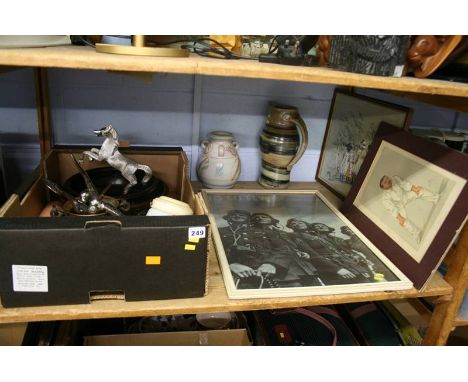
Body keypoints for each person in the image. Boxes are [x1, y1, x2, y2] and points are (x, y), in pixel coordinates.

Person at [286, 219, 357, 285]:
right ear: (291, 228)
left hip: (349, 266)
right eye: (293, 224)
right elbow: (312, 254)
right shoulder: (295, 236)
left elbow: (337, 250)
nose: (297, 224)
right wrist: (336, 269)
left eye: (300, 222)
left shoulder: (317, 234)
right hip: (330, 270)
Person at [379, 175, 440, 243]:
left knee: (418, 191)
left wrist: (414, 189)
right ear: (383, 187)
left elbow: (404, 185)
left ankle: (435, 198)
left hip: (405, 197)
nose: (388, 181)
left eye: (387, 178)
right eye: (385, 182)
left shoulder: (395, 179)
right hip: (399, 206)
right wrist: (399, 218)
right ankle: (416, 234)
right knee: (403, 221)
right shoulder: (384, 198)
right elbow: (392, 208)